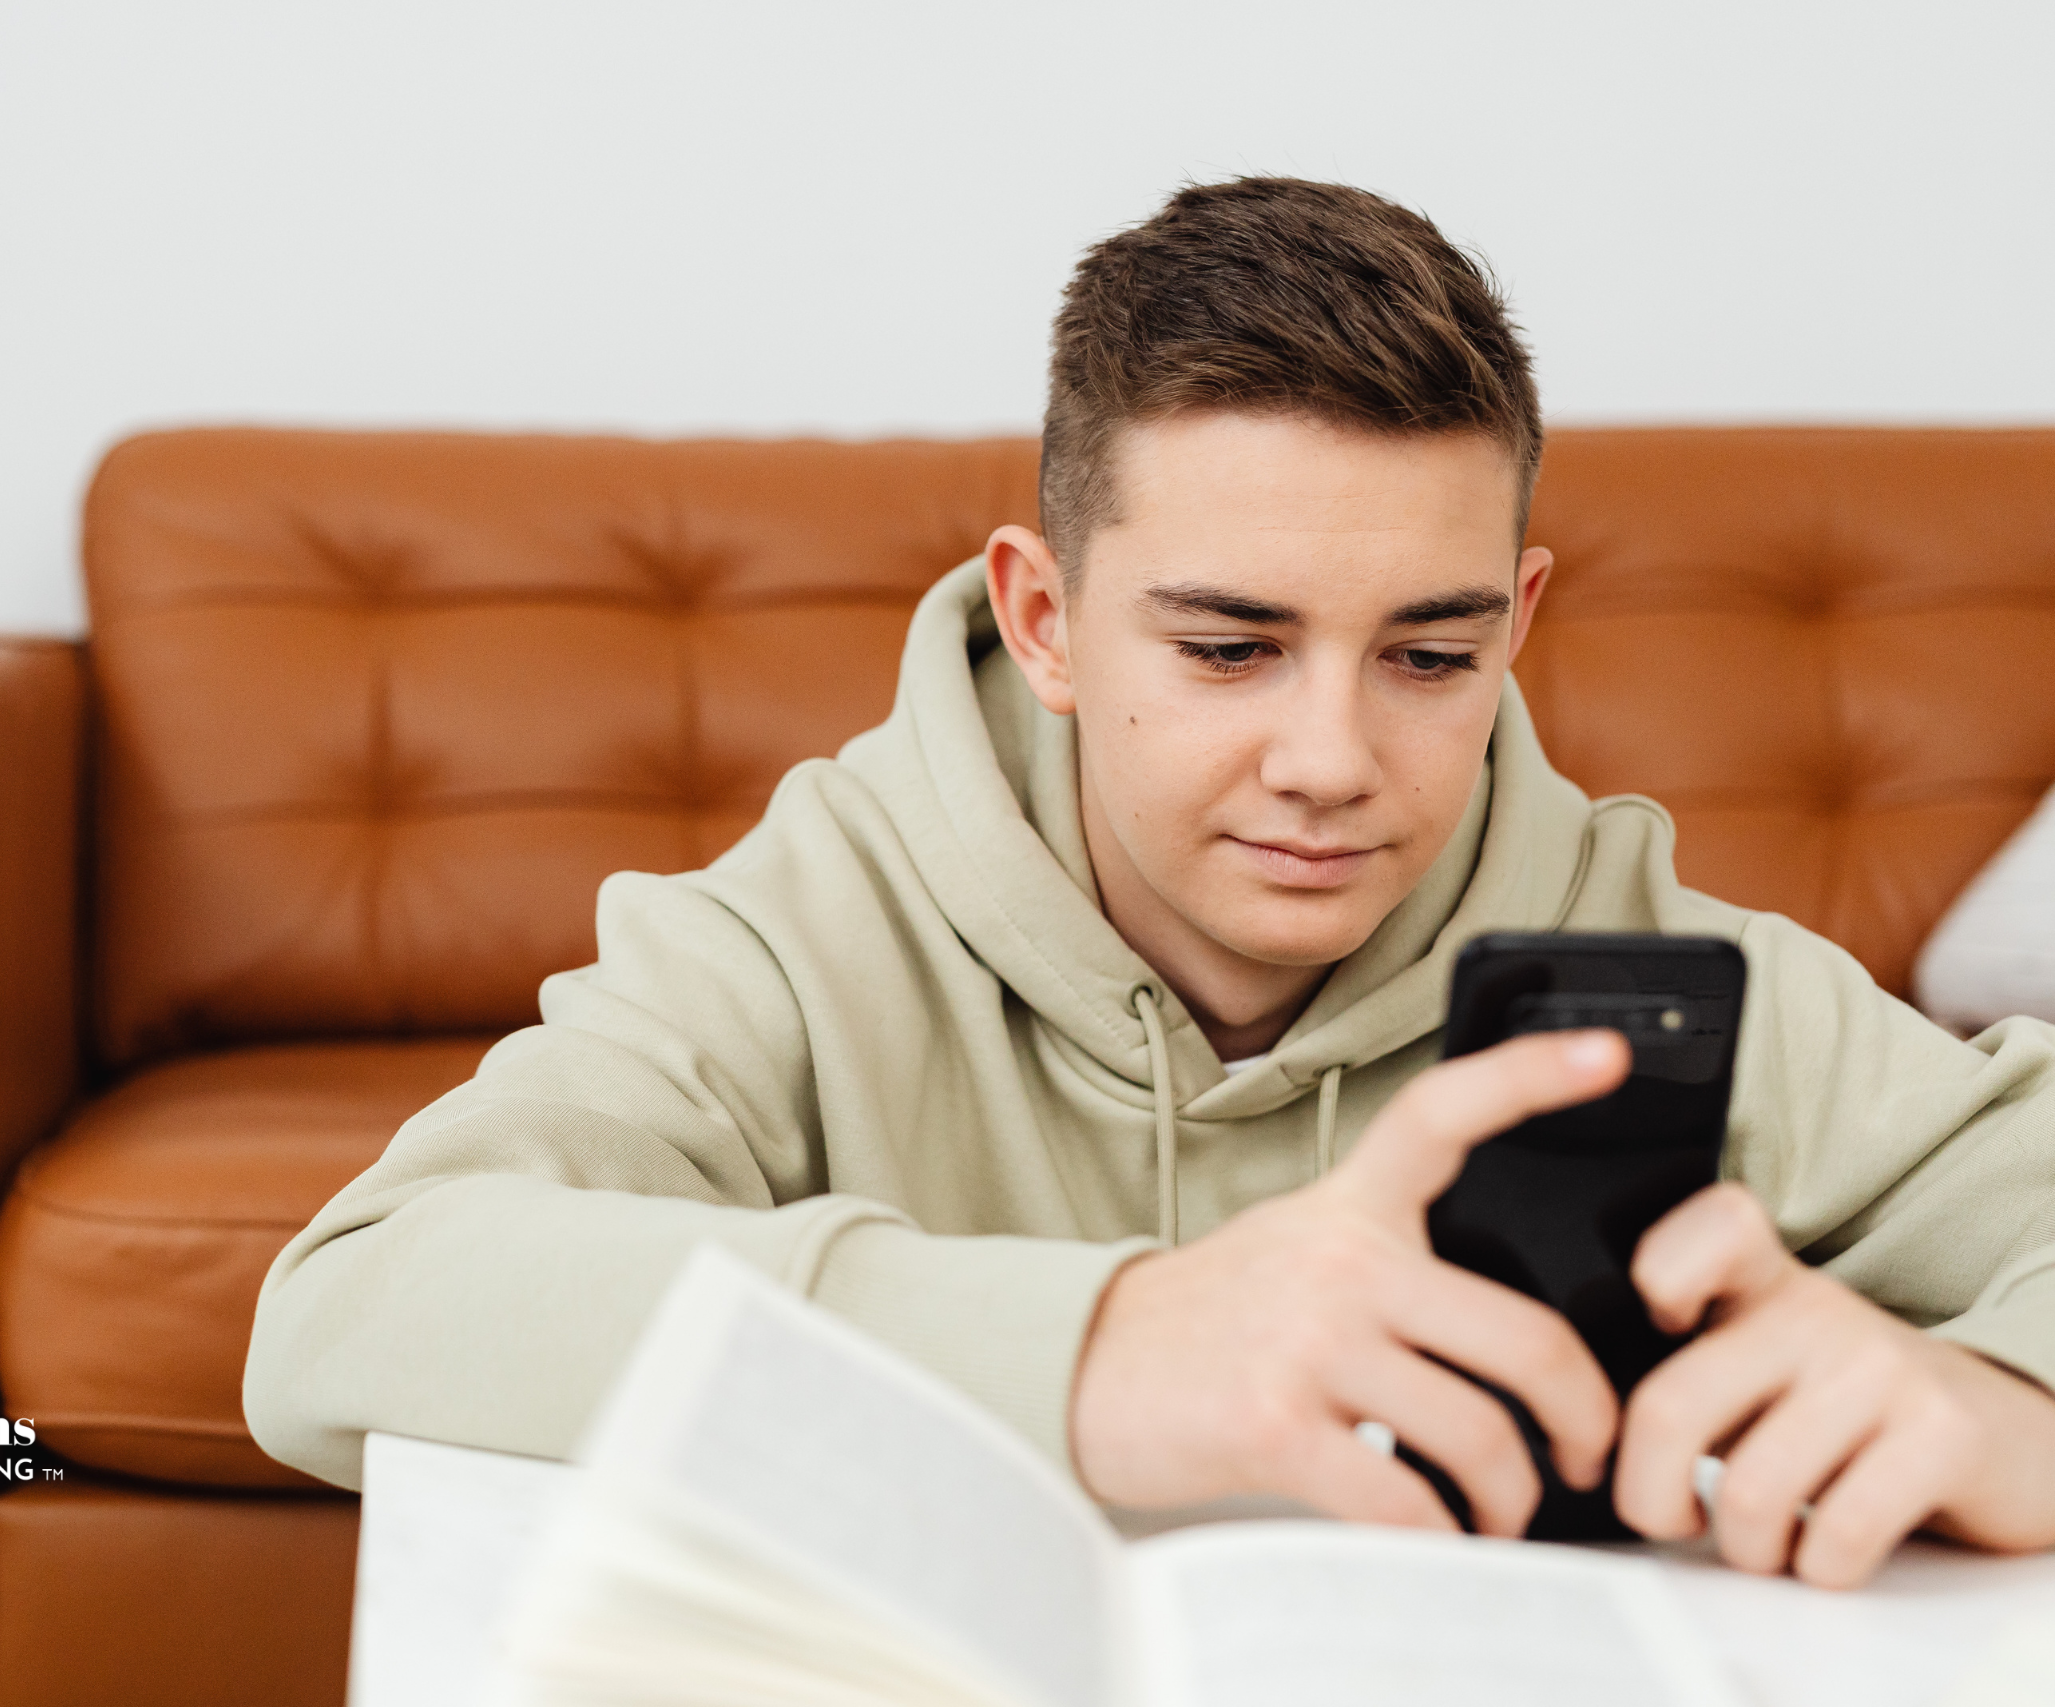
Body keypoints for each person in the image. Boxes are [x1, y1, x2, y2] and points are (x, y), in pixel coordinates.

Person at [243, 179, 2055, 1589]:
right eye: (1229, 649)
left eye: (1429, 657)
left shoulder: (1635, 952)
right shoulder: (813, 925)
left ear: (1517, 622)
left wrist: (2003, 1405)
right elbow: (350, 1309)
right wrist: (1111, 1345)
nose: (1332, 758)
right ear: (1044, 618)